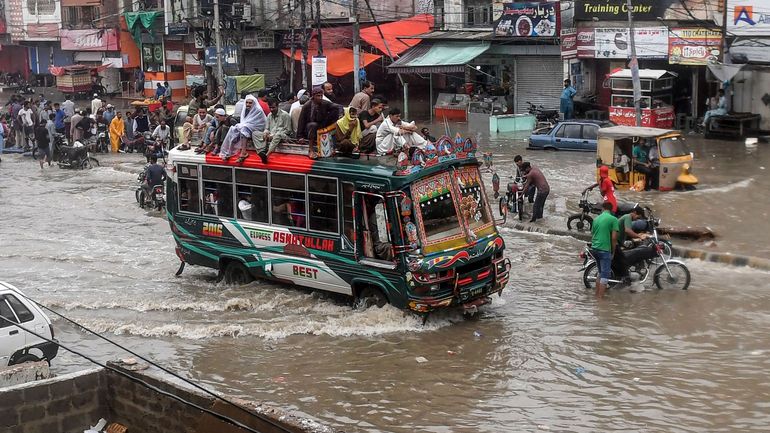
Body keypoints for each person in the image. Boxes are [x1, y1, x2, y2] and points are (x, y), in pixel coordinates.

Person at [296, 88, 343, 158]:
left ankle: (334, 147)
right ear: (313, 96)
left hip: (322, 125)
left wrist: (340, 115)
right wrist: (300, 136)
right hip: (310, 128)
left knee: (335, 113)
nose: (320, 98)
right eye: (318, 96)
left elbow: (338, 106)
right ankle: (311, 150)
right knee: (312, 125)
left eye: (321, 96)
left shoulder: (325, 103)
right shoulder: (307, 105)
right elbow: (301, 121)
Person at [219, 94, 266, 163]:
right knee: (233, 129)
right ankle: (228, 151)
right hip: (248, 126)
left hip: (257, 128)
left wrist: (243, 126)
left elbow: (257, 122)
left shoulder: (258, 110)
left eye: (250, 103)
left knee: (243, 129)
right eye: (247, 102)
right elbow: (244, 121)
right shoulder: (245, 110)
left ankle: (243, 152)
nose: (248, 104)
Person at [591, 201, 619, 298]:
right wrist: (613, 251)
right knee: (605, 275)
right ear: (611, 209)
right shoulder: (613, 219)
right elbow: (614, 237)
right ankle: (600, 300)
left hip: (594, 248)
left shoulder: (596, 219)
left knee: (600, 273)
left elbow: (593, 234)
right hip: (604, 249)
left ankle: (597, 296)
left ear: (603, 208)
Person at [254, 98, 293, 163]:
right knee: (255, 133)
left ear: (278, 106)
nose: (271, 109)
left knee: (278, 135)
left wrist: (273, 135)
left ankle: (267, 155)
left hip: (283, 136)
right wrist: (265, 132)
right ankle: (261, 151)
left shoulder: (285, 115)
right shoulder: (269, 115)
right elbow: (267, 128)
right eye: (270, 107)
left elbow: (288, 130)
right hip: (271, 136)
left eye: (273, 107)